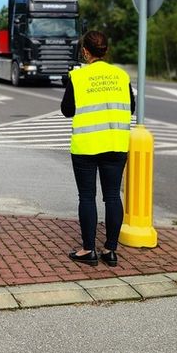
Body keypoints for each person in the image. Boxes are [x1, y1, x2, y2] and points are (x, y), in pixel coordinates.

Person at [60, 30, 134, 267]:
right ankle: (110, 250)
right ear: (106, 50)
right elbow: (130, 108)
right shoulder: (121, 76)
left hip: (86, 145)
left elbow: (67, 110)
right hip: (115, 143)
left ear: (85, 51)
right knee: (112, 196)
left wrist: (69, 85)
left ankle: (88, 250)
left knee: (87, 197)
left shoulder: (78, 77)